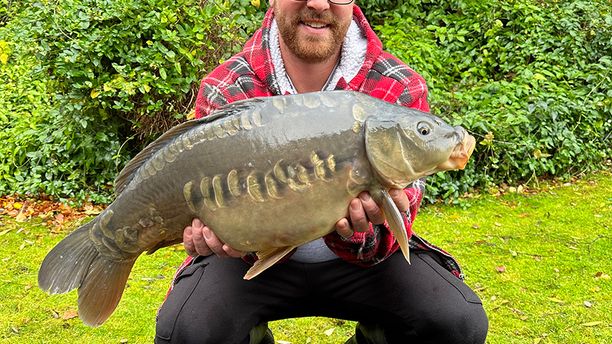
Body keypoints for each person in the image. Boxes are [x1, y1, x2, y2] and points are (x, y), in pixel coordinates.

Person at [155, 1, 488, 343]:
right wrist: (225, 238)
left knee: (455, 321)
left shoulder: (398, 86)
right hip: (249, 264)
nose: (317, 3)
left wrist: (362, 225)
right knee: (188, 329)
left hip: (365, 265)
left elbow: (389, 235)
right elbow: (214, 217)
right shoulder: (226, 85)